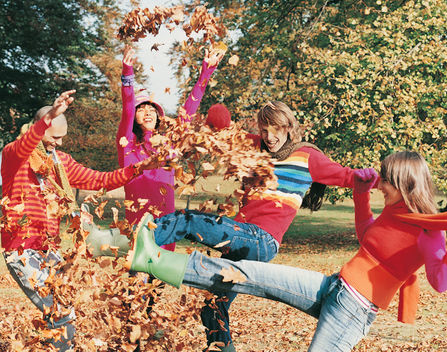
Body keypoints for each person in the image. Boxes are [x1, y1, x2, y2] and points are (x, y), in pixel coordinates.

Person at [126, 150, 447, 351]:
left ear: (404, 182)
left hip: (354, 310)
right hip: (331, 288)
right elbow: (367, 235)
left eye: (386, 179)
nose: (381, 184)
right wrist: (359, 193)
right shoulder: (394, 210)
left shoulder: (428, 229)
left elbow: (441, 282)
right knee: (243, 275)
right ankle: (153, 258)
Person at [142, 101, 361, 351]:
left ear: (288, 126)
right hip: (240, 238)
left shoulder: (307, 155)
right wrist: (216, 117)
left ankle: (143, 238)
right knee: (213, 307)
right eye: (264, 130)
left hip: (260, 240)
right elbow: (222, 131)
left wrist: (393, 181)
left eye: (276, 129)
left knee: (187, 220)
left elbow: (349, 176)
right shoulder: (253, 146)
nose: (270, 137)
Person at [0, 90, 159, 351]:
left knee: (66, 307)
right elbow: (27, 143)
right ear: (40, 132)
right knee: (60, 310)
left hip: (49, 250)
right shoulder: (14, 157)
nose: (60, 143)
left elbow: (99, 179)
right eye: (55, 137)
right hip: (22, 250)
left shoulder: (60, 162)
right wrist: (50, 115)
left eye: (63, 138)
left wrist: (138, 168)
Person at [117, 44, 225, 251]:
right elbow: (127, 108)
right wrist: (127, 73)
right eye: (141, 110)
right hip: (138, 226)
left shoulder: (169, 142)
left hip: (166, 224)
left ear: (158, 115)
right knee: (138, 280)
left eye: (151, 109)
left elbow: (188, 111)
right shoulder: (127, 144)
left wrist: (206, 72)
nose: (147, 113)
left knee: (158, 281)